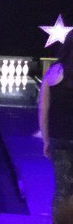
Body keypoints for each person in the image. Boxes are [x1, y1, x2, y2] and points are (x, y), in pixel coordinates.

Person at [41, 40, 73, 211]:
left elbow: (43, 110)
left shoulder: (54, 72)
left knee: (62, 189)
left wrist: (46, 140)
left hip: (58, 138)